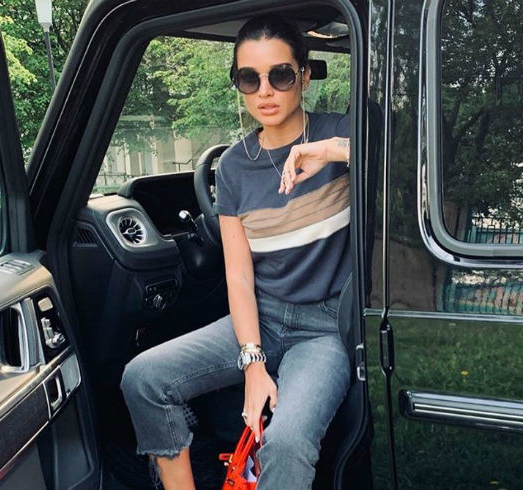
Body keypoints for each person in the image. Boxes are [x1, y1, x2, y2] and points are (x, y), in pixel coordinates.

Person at [121, 14, 352, 490]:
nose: (265, 91)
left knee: (285, 442)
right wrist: (253, 365)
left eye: (280, 75)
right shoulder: (232, 168)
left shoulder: (341, 134)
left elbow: (407, 153)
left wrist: (331, 151)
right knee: (144, 380)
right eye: (250, 78)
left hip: (325, 329)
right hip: (261, 318)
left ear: (304, 77)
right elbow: (240, 276)